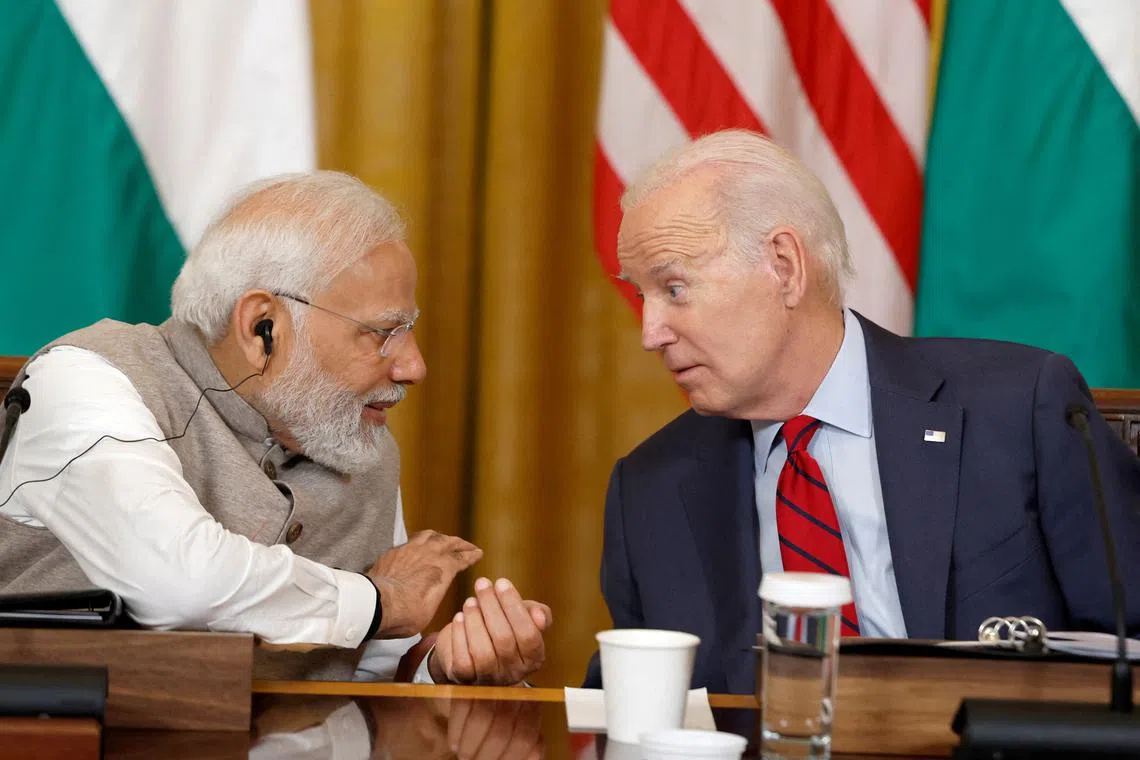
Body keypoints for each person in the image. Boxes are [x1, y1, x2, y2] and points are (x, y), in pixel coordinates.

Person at [584, 129, 1140, 694]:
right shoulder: (649, 490)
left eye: (674, 289)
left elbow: (1131, 640)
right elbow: (638, 705)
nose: (650, 333)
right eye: (641, 297)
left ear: (784, 265)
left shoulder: (1019, 410)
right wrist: (508, 680)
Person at [0, 171, 549, 685]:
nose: (414, 367)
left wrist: (445, 666)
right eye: (384, 333)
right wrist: (378, 600)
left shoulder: (356, 436)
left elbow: (373, 661)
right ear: (262, 326)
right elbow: (179, 582)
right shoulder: (86, 378)